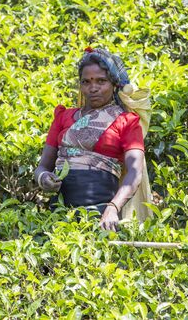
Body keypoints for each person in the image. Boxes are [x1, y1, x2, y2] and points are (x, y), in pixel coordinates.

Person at [34, 47, 153, 231]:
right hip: (59, 214)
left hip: (102, 215)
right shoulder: (63, 117)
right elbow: (43, 166)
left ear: (114, 84)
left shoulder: (126, 121)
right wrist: (44, 178)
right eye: (86, 82)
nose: (93, 88)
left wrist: (113, 209)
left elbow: (134, 173)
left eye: (101, 81)